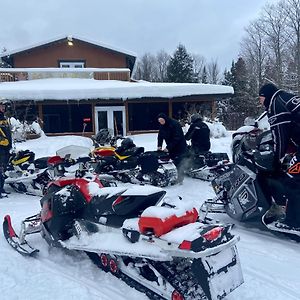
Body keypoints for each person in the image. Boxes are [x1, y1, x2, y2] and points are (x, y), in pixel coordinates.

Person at [258, 83, 300, 229]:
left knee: (293, 181)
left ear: (266, 95)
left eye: (260, 97)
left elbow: (280, 136)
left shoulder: (275, 105)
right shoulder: (287, 98)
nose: (260, 101)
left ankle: (294, 223)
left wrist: (277, 160)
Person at [157, 113, 187, 184]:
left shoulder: (175, 124)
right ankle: (173, 176)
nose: (161, 123)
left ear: (165, 119)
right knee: (172, 161)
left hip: (180, 146)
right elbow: (160, 136)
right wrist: (159, 146)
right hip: (171, 146)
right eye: (159, 121)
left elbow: (177, 137)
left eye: (162, 121)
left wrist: (168, 147)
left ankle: (180, 179)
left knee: (179, 162)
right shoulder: (162, 125)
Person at [0, 99, 12, 198]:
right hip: (0, 148)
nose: (3, 108)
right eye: (1, 106)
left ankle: (2, 188)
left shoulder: (3, 117)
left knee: (3, 169)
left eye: (4, 106)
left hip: (5, 148)